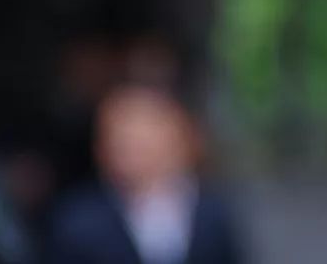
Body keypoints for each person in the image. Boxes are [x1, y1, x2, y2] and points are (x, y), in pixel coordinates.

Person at [45, 84, 241, 264]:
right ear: (102, 150)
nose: (137, 155)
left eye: (147, 142)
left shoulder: (216, 212)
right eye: (125, 143)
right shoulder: (77, 221)